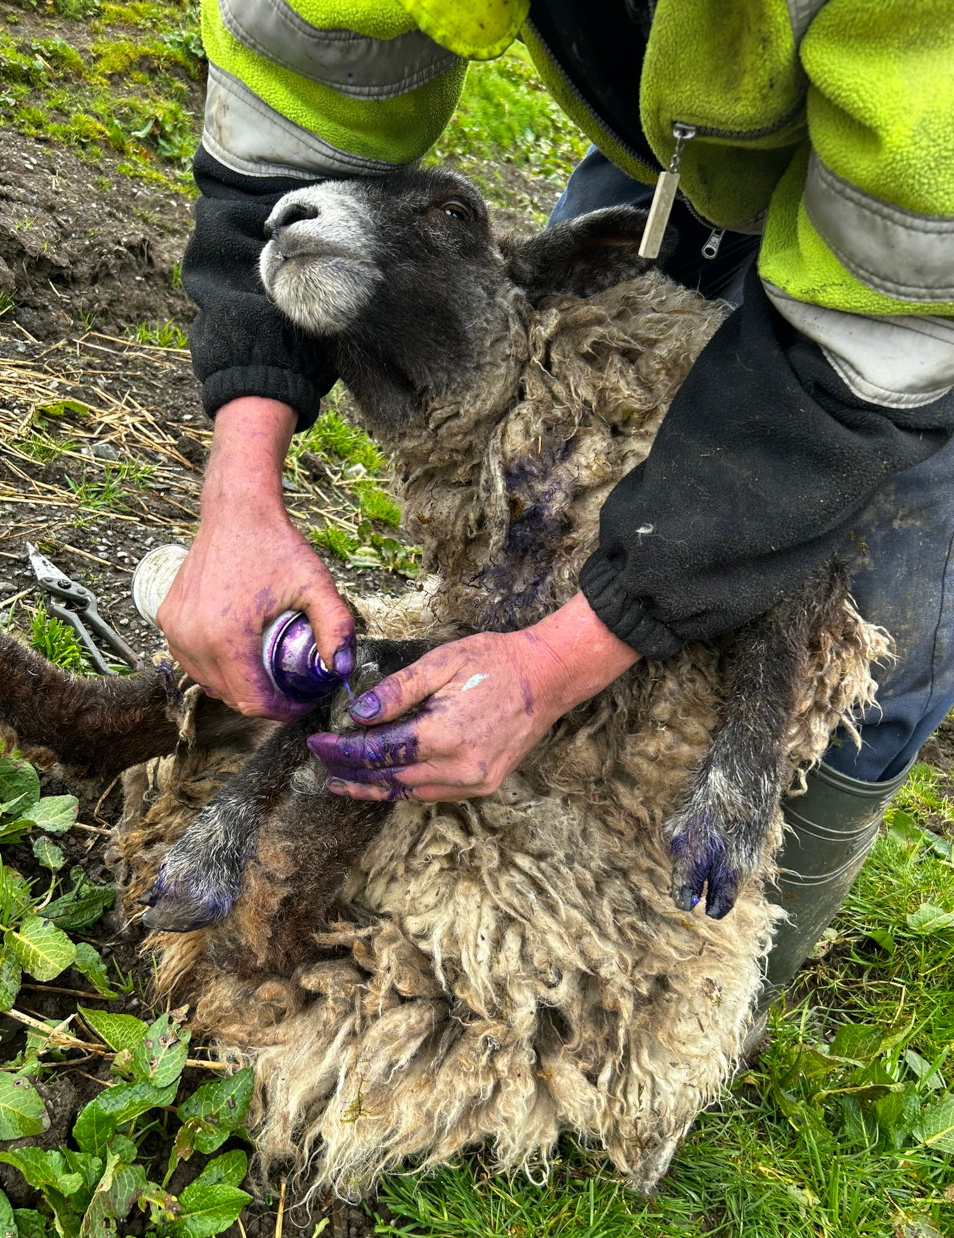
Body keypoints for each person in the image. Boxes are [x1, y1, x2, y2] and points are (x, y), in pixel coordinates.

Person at [159, 0, 954, 997]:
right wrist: (240, 491)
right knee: (557, 496)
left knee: (874, 613)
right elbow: (291, 102)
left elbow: (879, 352)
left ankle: (723, 969)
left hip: (925, 243)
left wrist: (557, 661)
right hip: (678, 138)